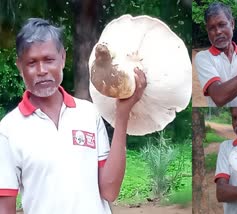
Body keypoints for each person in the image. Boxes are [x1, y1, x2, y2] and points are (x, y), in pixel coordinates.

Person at [0, 18, 146, 214]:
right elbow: (5, 207)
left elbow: (110, 191)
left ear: (62, 58)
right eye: (32, 63)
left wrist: (122, 116)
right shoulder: (9, 130)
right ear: (20, 66)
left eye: (49, 60)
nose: (42, 71)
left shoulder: (88, 113)